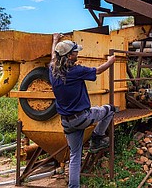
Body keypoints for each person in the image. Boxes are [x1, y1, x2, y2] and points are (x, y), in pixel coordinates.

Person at [49, 33, 116, 188]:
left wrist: (55, 40)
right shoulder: (75, 71)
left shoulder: (52, 70)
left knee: (75, 155)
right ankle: (97, 138)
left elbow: (54, 56)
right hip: (82, 117)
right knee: (110, 109)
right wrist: (110, 61)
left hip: (66, 122)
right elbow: (98, 71)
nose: (77, 54)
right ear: (69, 56)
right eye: (75, 52)